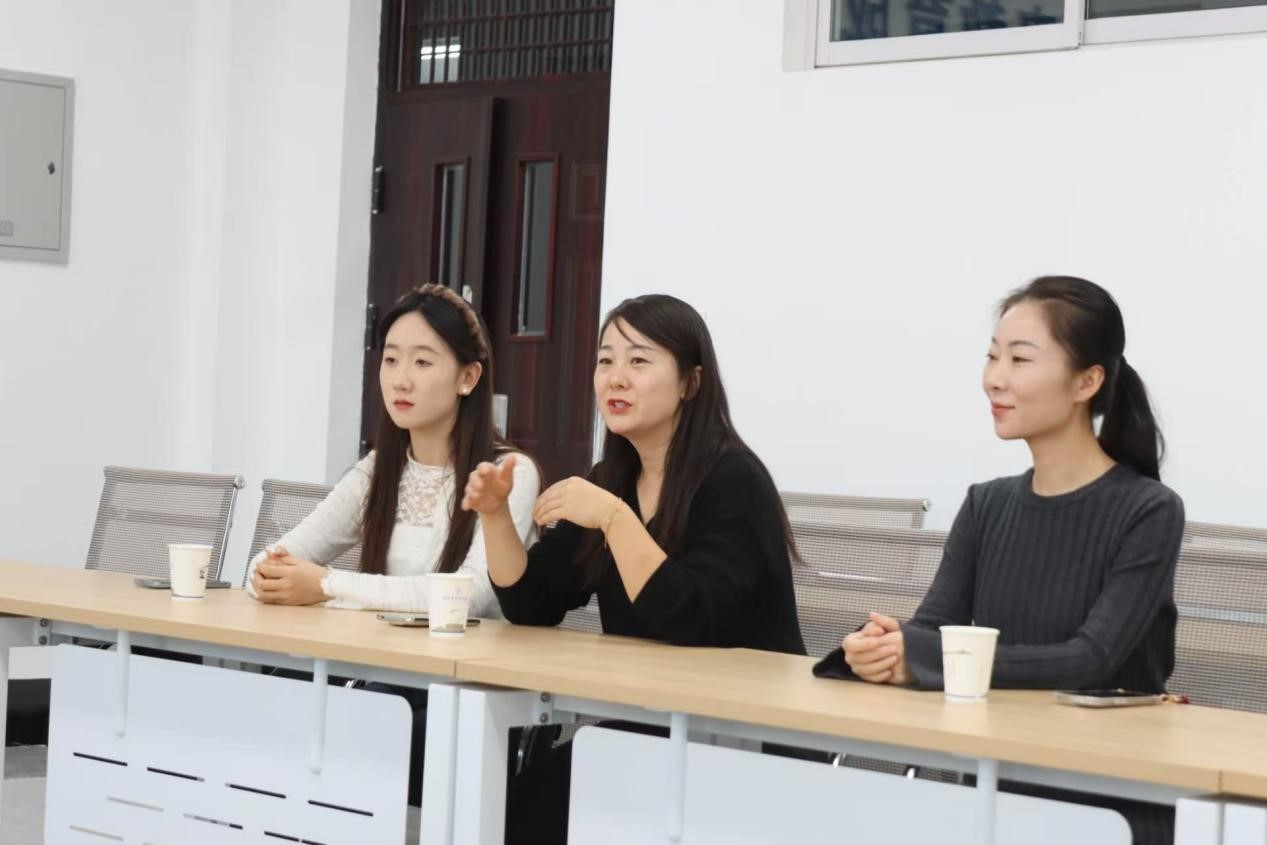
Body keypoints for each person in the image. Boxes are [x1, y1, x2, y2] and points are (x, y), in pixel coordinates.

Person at [817, 276, 1184, 844]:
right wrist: (882, 650)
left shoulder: (1149, 511)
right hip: (991, 788)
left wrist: (925, 656)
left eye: (1020, 358)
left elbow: (1090, 659)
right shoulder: (985, 504)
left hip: (1105, 803)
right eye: (992, 356)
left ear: (1087, 381)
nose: (995, 378)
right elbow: (932, 630)